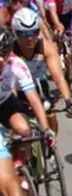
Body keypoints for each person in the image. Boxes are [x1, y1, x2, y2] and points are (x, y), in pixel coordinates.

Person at [12, 9, 72, 133]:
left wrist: (68, 100)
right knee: (19, 127)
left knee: (49, 114)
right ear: (15, 33)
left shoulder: (46, 47)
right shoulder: (10, 51)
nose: (30, 38)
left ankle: (51, 146)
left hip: (38, 85)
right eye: (24, 34)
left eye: (34, 32)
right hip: (16, 88)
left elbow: (58, 77)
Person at [0, 26, 54, 165]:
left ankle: (19, 166)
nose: (1, 59)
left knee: (24, 131)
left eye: (4, 53)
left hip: (5, 102)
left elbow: (34, 99)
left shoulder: (16, 64)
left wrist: (46, 129)